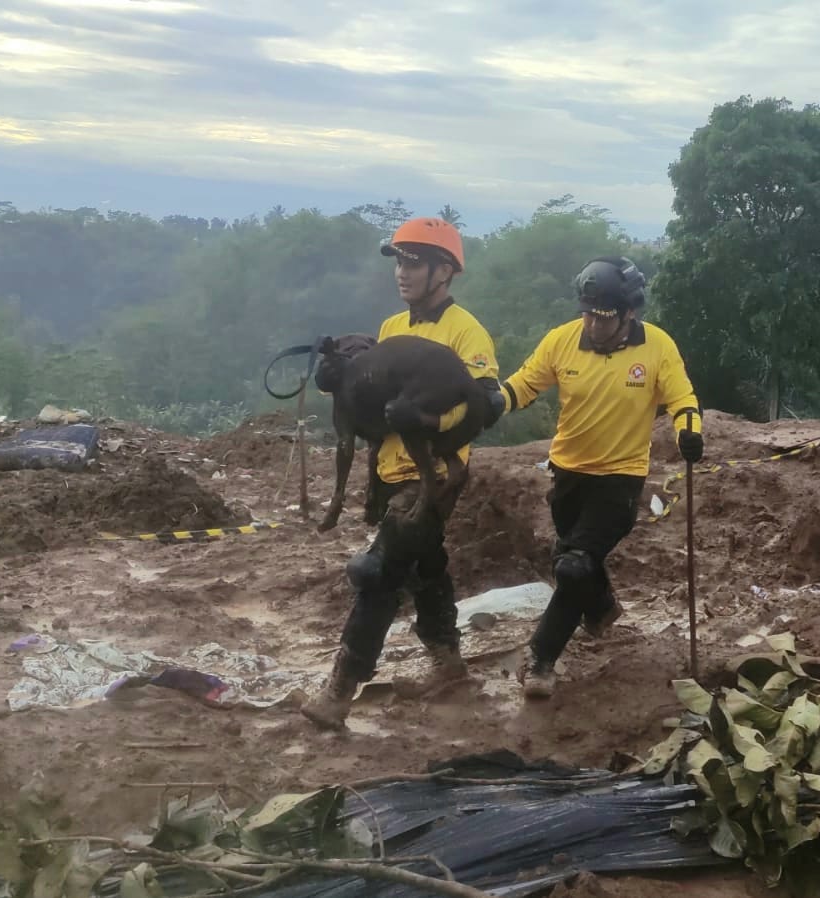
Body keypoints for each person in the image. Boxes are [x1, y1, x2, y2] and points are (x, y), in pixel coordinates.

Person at [302, 216, 506, 729]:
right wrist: (336, 380)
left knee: (378, 574)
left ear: (445, 272)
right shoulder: (393, 330)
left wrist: (432, 421)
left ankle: (339, 690)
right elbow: (370, 401)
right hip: (392, 471)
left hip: (433, 476)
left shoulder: (467, 332)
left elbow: (483, 407)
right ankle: (449, 663)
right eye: (398, 261)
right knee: (424, 565)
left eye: (414, 262)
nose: (402, 272)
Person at [496, 256, 704, 698]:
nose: (593, 323)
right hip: (567, 474)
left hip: (620, 480)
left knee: (573, 567)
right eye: (587, 313)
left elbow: (682, 398)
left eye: (604, 316)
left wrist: (690, 431)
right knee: (570, 560)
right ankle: (603, 607)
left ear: (630, 312)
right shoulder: (563, 340)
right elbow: (524, 385)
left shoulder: (657, 347)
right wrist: (490, 404)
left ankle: (540, 660)